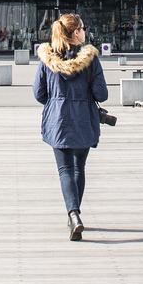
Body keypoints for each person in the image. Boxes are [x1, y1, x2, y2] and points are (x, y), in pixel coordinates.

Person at [32, 13, 109, 241]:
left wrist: (56, 100)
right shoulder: (91, 59)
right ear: (76, 32)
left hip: (58, 121)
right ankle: (74, 214)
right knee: (78, 168)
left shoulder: (47, 59)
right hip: (84, 119)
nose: (85, 31)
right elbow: (101, 94)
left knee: (65, 170)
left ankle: (73, 214)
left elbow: (39, 93)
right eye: (83, 28)